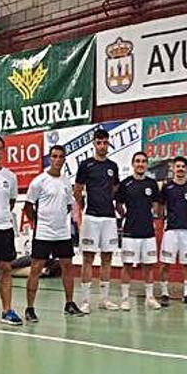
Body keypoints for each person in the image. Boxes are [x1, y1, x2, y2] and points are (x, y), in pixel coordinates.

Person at [25, 145, 82, 319]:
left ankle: (69, 304)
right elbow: (28, 207)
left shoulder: (66, 181)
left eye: (61, 157)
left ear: (64, 160)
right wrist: (38, 223)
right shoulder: (39, 181)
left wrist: (58, 221)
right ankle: (30, 308)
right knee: (36, 268)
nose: (57, 159)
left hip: (62, 234)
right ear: (50, 159)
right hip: (43, 233)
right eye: (54, 156)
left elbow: (67, 206)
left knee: (67, 267)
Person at [75, 128, 120, 313]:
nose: (102, 145)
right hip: (91, 217)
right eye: (99, 142)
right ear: (94, 144)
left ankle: (104, 299)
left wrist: (107, 200)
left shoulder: (113, 166)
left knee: (107, 257)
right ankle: (85, 301)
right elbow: (77, 190)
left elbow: (115, 188)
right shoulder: (86, 165)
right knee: (88, 258)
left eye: (105, 142)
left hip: (109, 217)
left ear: (108, 143)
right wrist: (82, 208)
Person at [114, 152, 162, 311]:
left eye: (143, 161)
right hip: (130, 232)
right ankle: (125, 299)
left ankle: (149, 297)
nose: (140, 164)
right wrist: (126, 216)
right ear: (133, 164)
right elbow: (119, 205)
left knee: (148, 266)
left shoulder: (152, 184)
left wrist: (151, 216)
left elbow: (156, 205)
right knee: (127, 266)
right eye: (137, 161)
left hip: (148, 232)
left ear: (146, 164)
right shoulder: (125, 184)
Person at [159, 156, 187, 305]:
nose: (181, 169)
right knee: (165, 263)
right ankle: (164, 293)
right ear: (173, 168)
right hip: (170, 230)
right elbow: (160, 208)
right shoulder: (167, 187)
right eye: (178, 166)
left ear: (186, 169)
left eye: (183, 166)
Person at [0, 136, 21, 325]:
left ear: (3, 151)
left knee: (6, 268)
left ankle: (7, 311)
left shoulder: (10, 177)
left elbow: (11, 202)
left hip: (4, 229)